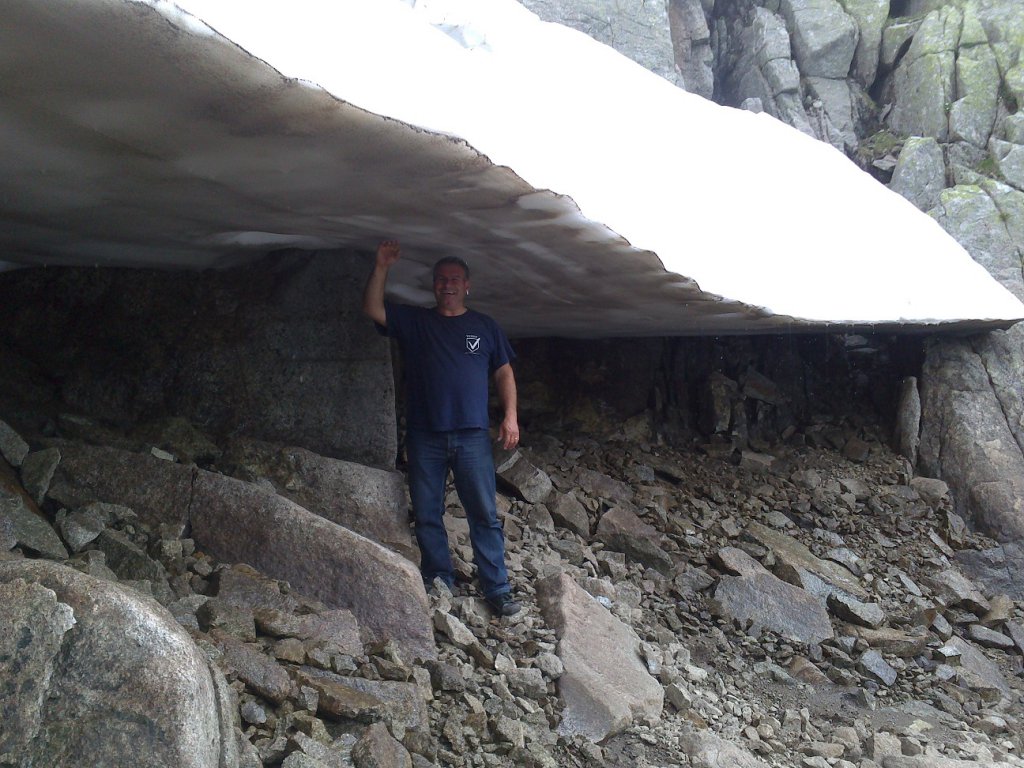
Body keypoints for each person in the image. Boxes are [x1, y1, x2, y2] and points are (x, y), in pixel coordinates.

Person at [362, 239, 522, 616]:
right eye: (441, 279)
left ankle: (497, 588)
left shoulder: (484, 326)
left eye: (454, 279)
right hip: (425, 435)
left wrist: (510, 416)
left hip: (472, 436)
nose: (447, 285)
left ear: (467, 286)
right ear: (433, 286)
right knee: (427, 512)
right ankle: (439, 579)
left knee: (483, 513)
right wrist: (382, 265)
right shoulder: (417, 322)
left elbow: (504, 372)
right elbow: (373, 309)